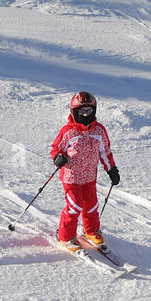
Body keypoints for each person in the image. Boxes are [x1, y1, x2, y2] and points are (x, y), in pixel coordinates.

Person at [50, 91, 120, 252]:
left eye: (89, 111)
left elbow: (105, 152)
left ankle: (91, 231)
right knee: (75, 206)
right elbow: (56, 148)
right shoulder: (68, 131)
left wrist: (112, 170)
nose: (85, 114)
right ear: (74, 111)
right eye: (81, 111)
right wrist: (58, 157)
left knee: (91, 205)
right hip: (71, 177)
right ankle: (65, 236)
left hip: (89, 177)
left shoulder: (99, 131)